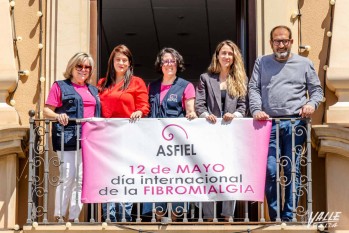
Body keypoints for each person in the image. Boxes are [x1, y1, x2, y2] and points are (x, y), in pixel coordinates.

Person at [249, 25, 323, 222]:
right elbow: (254, 88)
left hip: (295, 124)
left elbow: (317, 91)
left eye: (284, 41)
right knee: (270, 170)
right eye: (276, 41)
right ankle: (275, 217)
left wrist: (311, 104)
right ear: (271, 43)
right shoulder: (262, 62)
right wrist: (256, 110)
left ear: (291, 42)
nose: (280, 44)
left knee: (292, 171)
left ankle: (289, 216)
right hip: (268, 125)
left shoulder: (304, 63)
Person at [43, 52, 101, 222]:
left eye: (87, 67)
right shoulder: (60, 86)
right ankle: (59, 214)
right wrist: (58, 116)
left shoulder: (93, 90)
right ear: (72, 67)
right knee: (67, 175)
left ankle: (74, 217)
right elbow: (46, 110)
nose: (83, 70)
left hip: (89, 140)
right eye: (79, 66)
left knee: (81, 179)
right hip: (67, 138)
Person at [195, 40, 247, 221]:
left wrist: (235, 116)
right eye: (223, 53)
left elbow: (243, 106)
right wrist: (205, 115)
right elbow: (199, 105)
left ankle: (228, 216)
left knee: (229, 174)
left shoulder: (240, 79)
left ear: (234, 58)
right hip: (209, 134)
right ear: (217, 55)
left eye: (230, 54)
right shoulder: (206, 78)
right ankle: (208, 217)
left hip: (231, 135)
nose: (226, 56)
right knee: (209, 174)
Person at [143, 47, 197, 221]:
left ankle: (175, 220)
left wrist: (191, 114)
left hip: (176, 145)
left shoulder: (186, 86)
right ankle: (158, 218)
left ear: (177, 63)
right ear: (160, 65)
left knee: (176, 180)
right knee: (157, 180)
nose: (169, 64)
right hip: (155, 144)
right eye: (165, 61)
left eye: (172, 61)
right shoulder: (152, 86)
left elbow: (190, 110)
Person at [98, 44, 150, 222]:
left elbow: (144, 105)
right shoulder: (102, 83)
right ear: (112, 62)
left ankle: (124, 217)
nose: (121, 62)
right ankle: (108, 216)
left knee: (126, 176)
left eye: (124, 60)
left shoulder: (137, 82)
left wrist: (139, 112)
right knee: (108, 176)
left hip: (129, 137)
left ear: (129, 63)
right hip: (107, 137)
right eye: (118, 59)